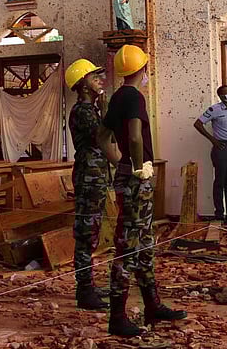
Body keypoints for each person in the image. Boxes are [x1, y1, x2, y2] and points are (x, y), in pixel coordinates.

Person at [99, 45, 186, 337]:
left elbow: (103, 137)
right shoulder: (135, 97)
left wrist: (120, 162)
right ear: (143, 69)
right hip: (137, 179)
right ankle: (117, 317)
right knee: (128, 246)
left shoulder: (116, 97)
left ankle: (153, 305)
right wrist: (137, 166)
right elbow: (135, 136)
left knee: (145, 242)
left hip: (128, 173)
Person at [65, 58, 120, 311]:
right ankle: (84, 290)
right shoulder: (82, 112)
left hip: (95, 176)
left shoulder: (91, 109)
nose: (100, 78)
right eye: (94, 76)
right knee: (86, 234)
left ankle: (88, 285)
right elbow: (102, 138)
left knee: (93, 232)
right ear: (82, 84)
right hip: (89, 177)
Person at [193, 85, 227, 225]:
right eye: (226, 93)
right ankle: (219, 213)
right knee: (220, 181)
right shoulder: (214, 109)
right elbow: (197, 124)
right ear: (221, 97)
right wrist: (213, 140)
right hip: (220, 147)